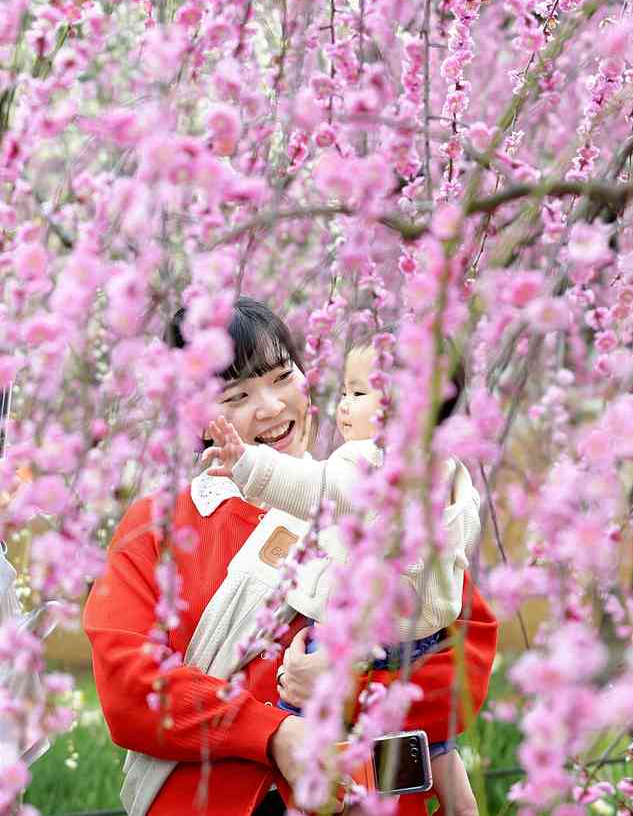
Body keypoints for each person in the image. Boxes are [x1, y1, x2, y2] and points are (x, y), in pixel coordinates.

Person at [83, 298, 497, 816]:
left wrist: (352, 688)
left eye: (283, 377)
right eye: (238, 395)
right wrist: (275, 734)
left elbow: (461, 657)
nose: (274, 406)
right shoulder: (158, 527)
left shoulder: (379, 495)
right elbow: (132, 691)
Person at [201, 332, 481, 815]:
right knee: (436, 738)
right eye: (345, 392)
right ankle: (459, 799)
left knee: (304, 714)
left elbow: (317, 485)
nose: (342, 406)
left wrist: (247, 466)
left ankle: (335, 797)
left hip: (354, 639)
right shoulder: (450, 471)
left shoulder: (367, 464)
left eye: (357, 392)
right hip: (422, 641)